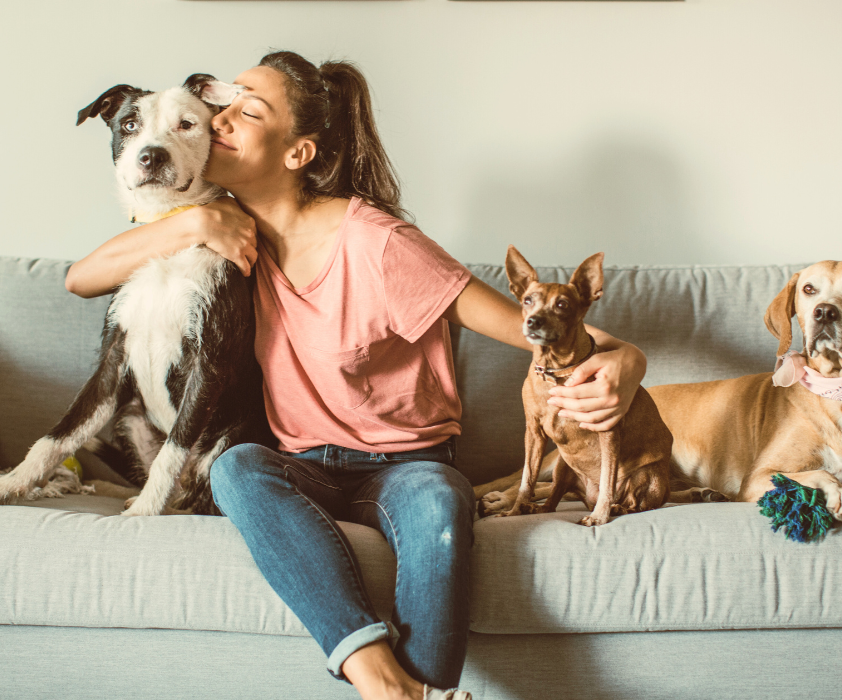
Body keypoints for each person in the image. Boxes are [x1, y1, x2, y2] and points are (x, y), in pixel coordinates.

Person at [65, 51, 646, 700]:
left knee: (439, 508)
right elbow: (81, 278)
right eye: (224, 107)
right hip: (301, 462)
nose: (221, 118)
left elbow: (532, 329)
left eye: (247, 110)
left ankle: (418, 689)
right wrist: (198, 220)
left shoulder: (378, 243)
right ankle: (379, 676)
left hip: (405, 463)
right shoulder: (224, 228)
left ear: (297, 153)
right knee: (236, 469)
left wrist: (628, 359)